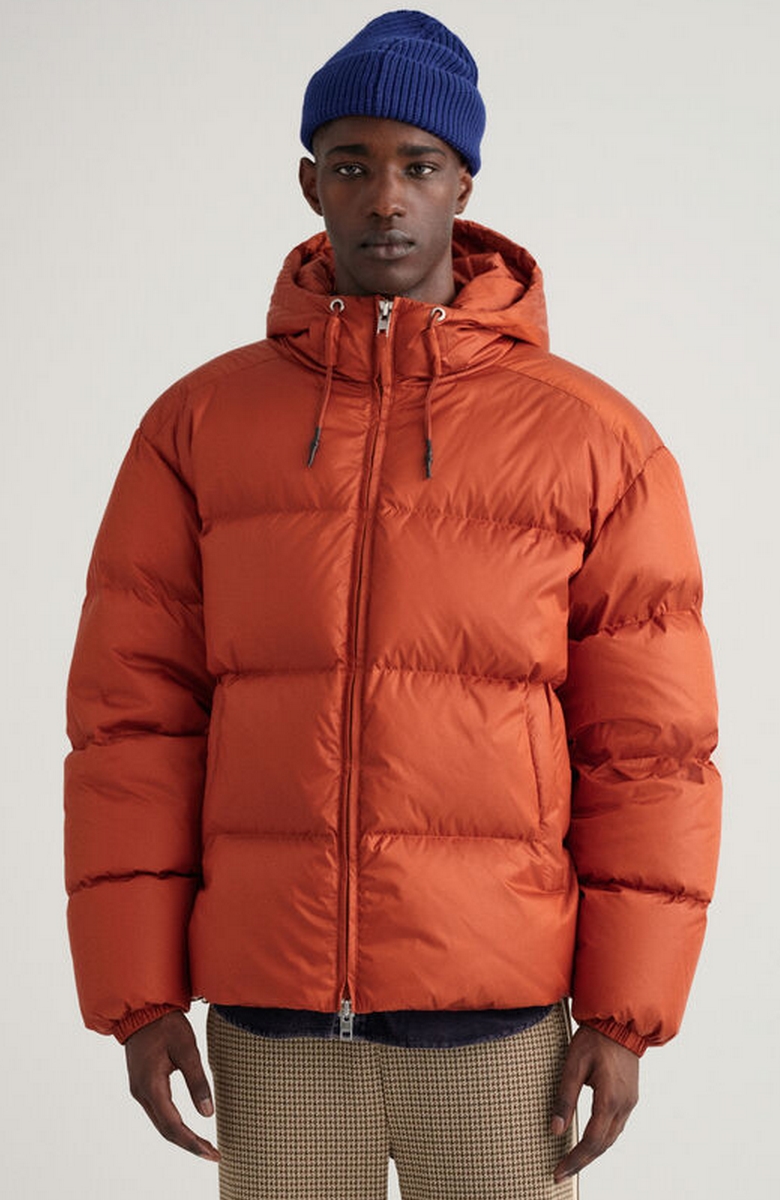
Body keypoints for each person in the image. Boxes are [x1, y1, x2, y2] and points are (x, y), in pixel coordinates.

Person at [64, 11, 721, 1199]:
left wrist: (625, 1012)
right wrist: (137, 995)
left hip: (497, 1016)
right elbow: (132, 726)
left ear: (463, 183)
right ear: (307, 182)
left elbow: (648, 750)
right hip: (270, 1018)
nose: (384, 198)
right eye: (351, 165)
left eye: (418, 165)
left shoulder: (589, 438)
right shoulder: (198, 426)